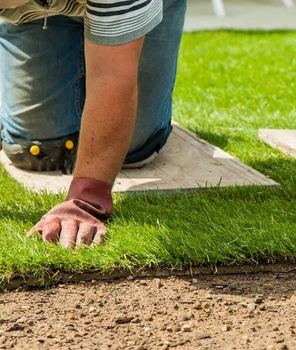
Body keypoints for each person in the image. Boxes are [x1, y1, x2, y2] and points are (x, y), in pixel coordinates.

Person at [0, 0, 186, 248]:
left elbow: (112, 75)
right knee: (38, 151)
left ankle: (113, 25)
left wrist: (86, 196)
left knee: (133, 147)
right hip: (35, 16)